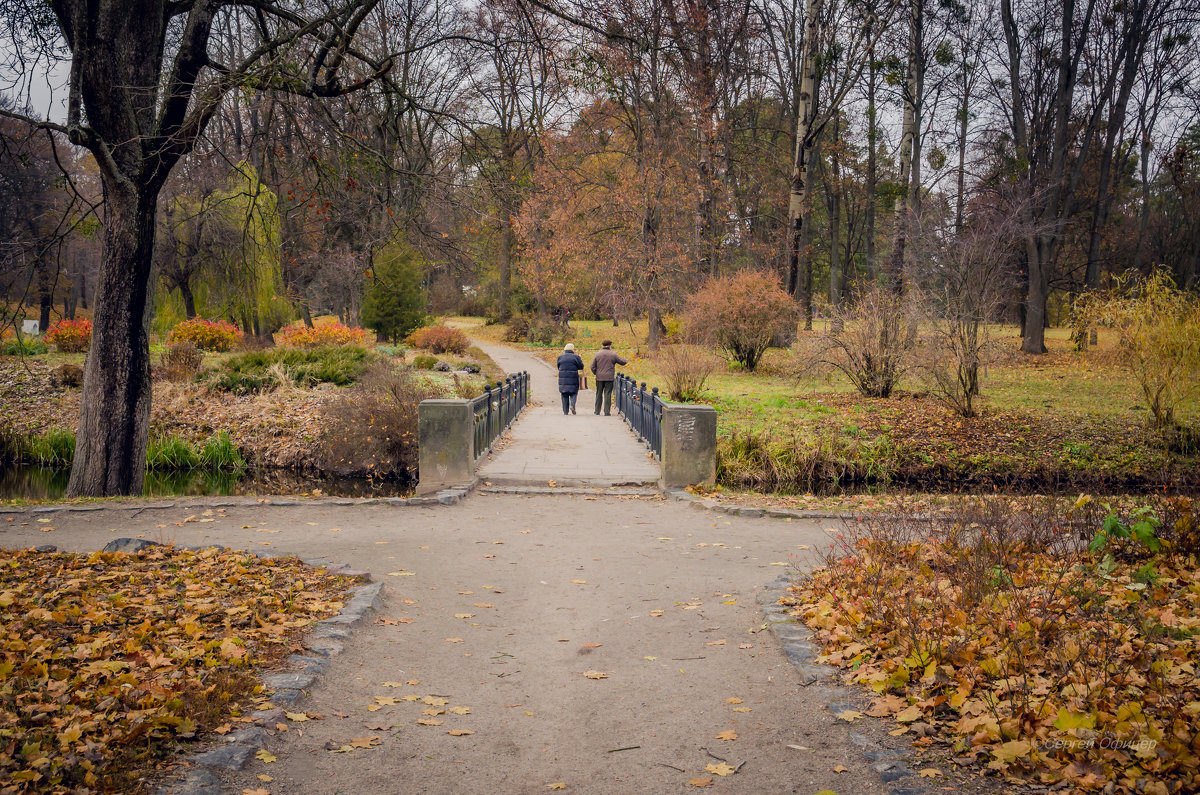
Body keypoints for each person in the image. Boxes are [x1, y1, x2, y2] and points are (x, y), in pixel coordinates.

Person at [590, 339, 628, 416]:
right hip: (609, 378)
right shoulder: (613, 354)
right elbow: (622, 362)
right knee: (607, 394)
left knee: (598, 393)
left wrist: (596, 373)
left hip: (599, 378)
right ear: (610, 346)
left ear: (602, 345)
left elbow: (592, 366)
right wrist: (627, 360)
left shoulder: (597, 354)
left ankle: (597, 411)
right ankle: (607, 412)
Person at [556, 342, 584, 415]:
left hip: (563, 378)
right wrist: (580, 359)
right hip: (573, 377)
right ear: (572, 349)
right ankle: (572, 405)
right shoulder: (576, 357)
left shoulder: (560, 357)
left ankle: (565, 411)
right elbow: (581, 367)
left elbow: (558, 366)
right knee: (573, 392)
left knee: (564, 394)